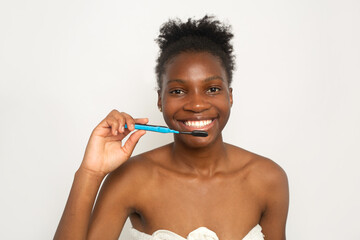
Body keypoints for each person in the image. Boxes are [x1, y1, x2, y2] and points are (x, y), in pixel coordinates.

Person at [54, 15, 289, 240]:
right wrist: (90, 173)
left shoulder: (268, 179)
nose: (197, 104)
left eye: (213, 89)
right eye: (178, 91)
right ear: (160, 100)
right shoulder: (131, 179)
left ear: (230, 96)